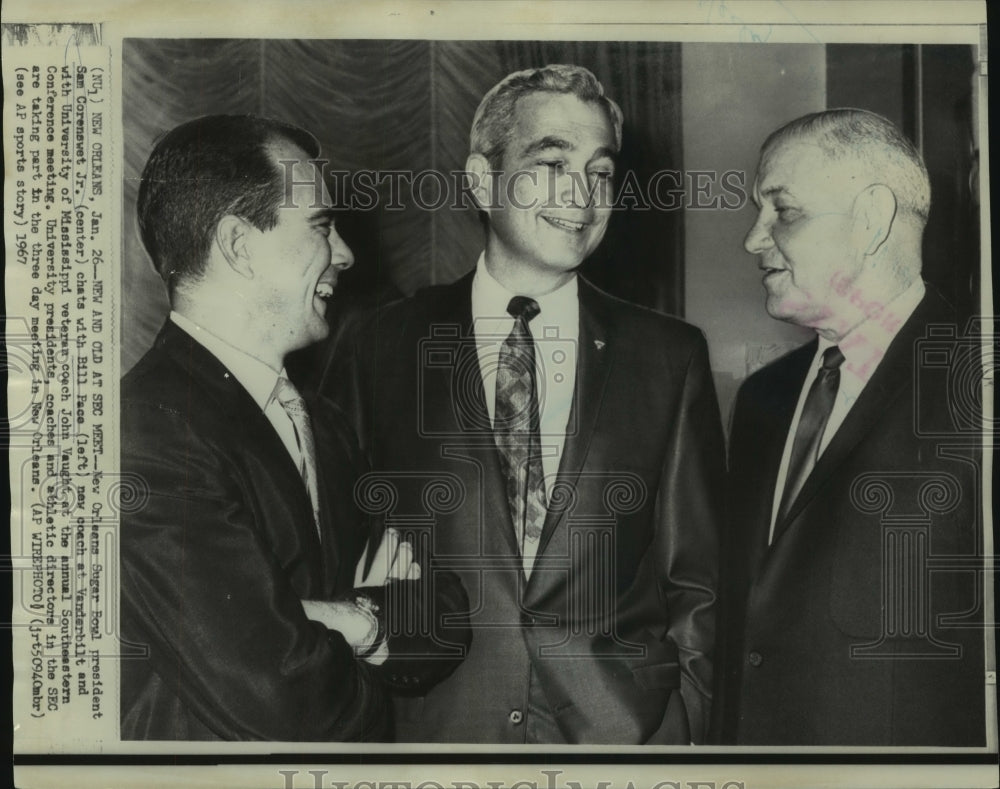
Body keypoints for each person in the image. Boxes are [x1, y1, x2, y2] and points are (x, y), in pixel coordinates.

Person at [323, 65, 724, 744]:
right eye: (551, 161)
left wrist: (685, 722)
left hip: (623, 740)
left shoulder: (669, 355)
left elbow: (698, 582)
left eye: (600, 171)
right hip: (436, 734)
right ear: (482, 180)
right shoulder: (380, 344)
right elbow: (334, 544)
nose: (582, 194)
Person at [121, 114, 469, 741]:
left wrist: (345, 622)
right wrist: (374, 622)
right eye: (320, 226)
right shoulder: (143, 432)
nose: (346, 254)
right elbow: (281, 698)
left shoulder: (325, 424)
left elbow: (443, 618)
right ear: (238, 244)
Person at [714, 108, 985, 745]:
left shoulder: (977, 384)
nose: (754, 240)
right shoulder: (762, 398)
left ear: (869, 220)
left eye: (783, 210)